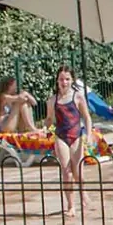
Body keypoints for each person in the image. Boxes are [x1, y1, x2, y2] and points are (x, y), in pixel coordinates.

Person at [49, 65, 94, 215]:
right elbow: (49, 119)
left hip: (76, 136)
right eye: (61, 79)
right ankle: (70, 206)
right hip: (61, 136)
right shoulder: (52, 100)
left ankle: (83, 192)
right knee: (66, 172)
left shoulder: (78, 97)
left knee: (78, 172)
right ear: (57, 81)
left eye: (67, 79)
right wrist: (45, 128)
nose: (64, 82)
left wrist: (89, 134)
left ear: (72, 80)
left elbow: (87, 117)